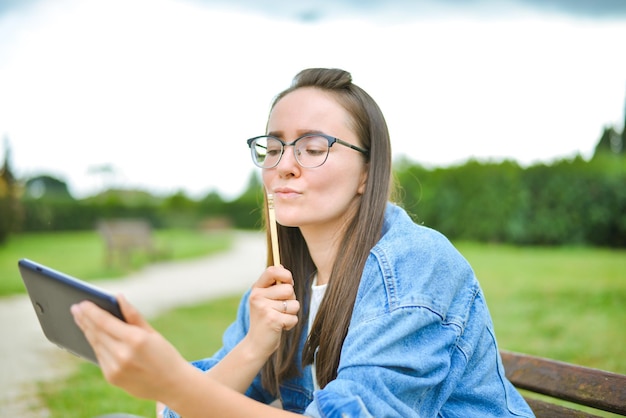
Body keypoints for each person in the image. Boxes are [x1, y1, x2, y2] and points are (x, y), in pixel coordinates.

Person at [72, 68, 535, 417]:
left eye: (313, 148)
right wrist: (253, 346)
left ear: (367, 173)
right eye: (273, 148)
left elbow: (191, 399)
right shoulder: (283, 284)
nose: (284, 165)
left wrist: (176, 384)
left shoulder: (416, 266)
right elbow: (183, 410)